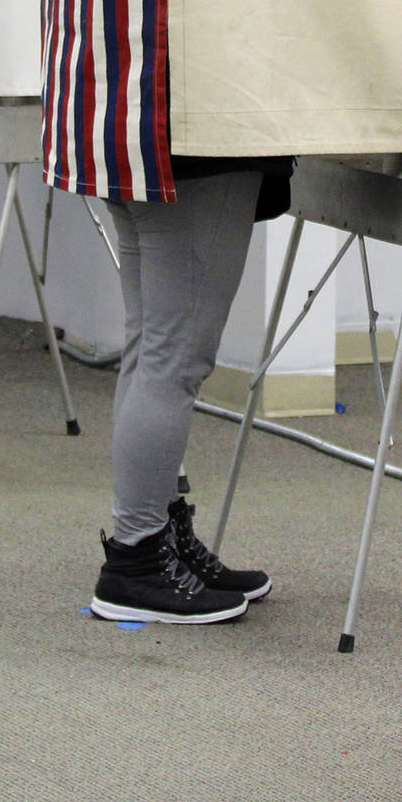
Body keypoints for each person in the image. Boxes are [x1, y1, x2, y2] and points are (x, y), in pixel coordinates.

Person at [87, 157, 290, 625]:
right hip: (198, 150)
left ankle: (158, 538)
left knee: (151, 351)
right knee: (174, 359)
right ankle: (136, 559)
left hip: (131, 132)